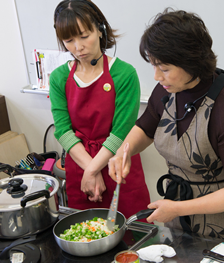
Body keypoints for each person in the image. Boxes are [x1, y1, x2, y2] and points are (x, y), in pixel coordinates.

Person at [109, 8, 224, 246]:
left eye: (165, 68)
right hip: (178, 216)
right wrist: (123, 152)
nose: (157, 76)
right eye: (154, 66)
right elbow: (146, 128)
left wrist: (177, 208)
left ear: (191, 62)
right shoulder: (167, 91)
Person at [49, 0, 150, 219]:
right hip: (80, 165)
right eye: (69, 40)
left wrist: (92, 170)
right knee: (84, 233)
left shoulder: (124, 74)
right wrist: (89, 170)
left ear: (100, 29)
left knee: (132, 238)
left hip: (118, 166)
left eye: (84, 36)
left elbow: (121, 132)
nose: (78, 47)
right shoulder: (59, 78)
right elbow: (63, 131)